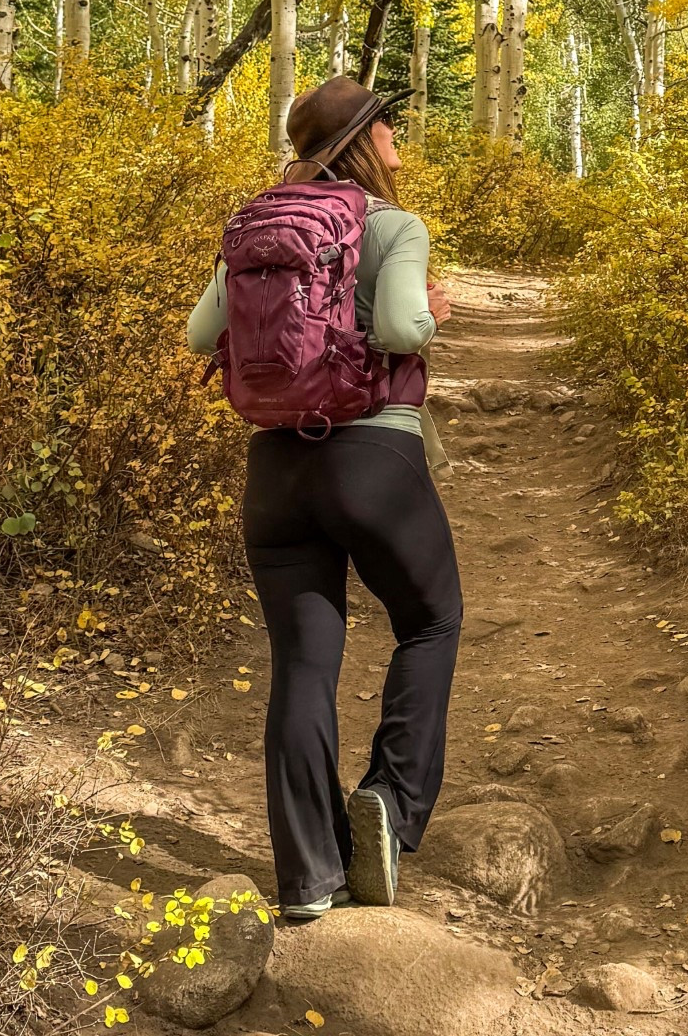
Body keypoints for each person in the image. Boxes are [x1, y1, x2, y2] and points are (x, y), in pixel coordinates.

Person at [187, 75, 461, 923]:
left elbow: (203, 336)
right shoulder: (393, 226)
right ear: (360, 141)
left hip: (275, 469)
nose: (398, 145)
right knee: (429, 620)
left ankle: (308, 877)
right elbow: (402, 331)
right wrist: (435, 310)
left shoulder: (255, 227)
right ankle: (390, 800)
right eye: (388, 130)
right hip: (372, 456)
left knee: (303, 663)